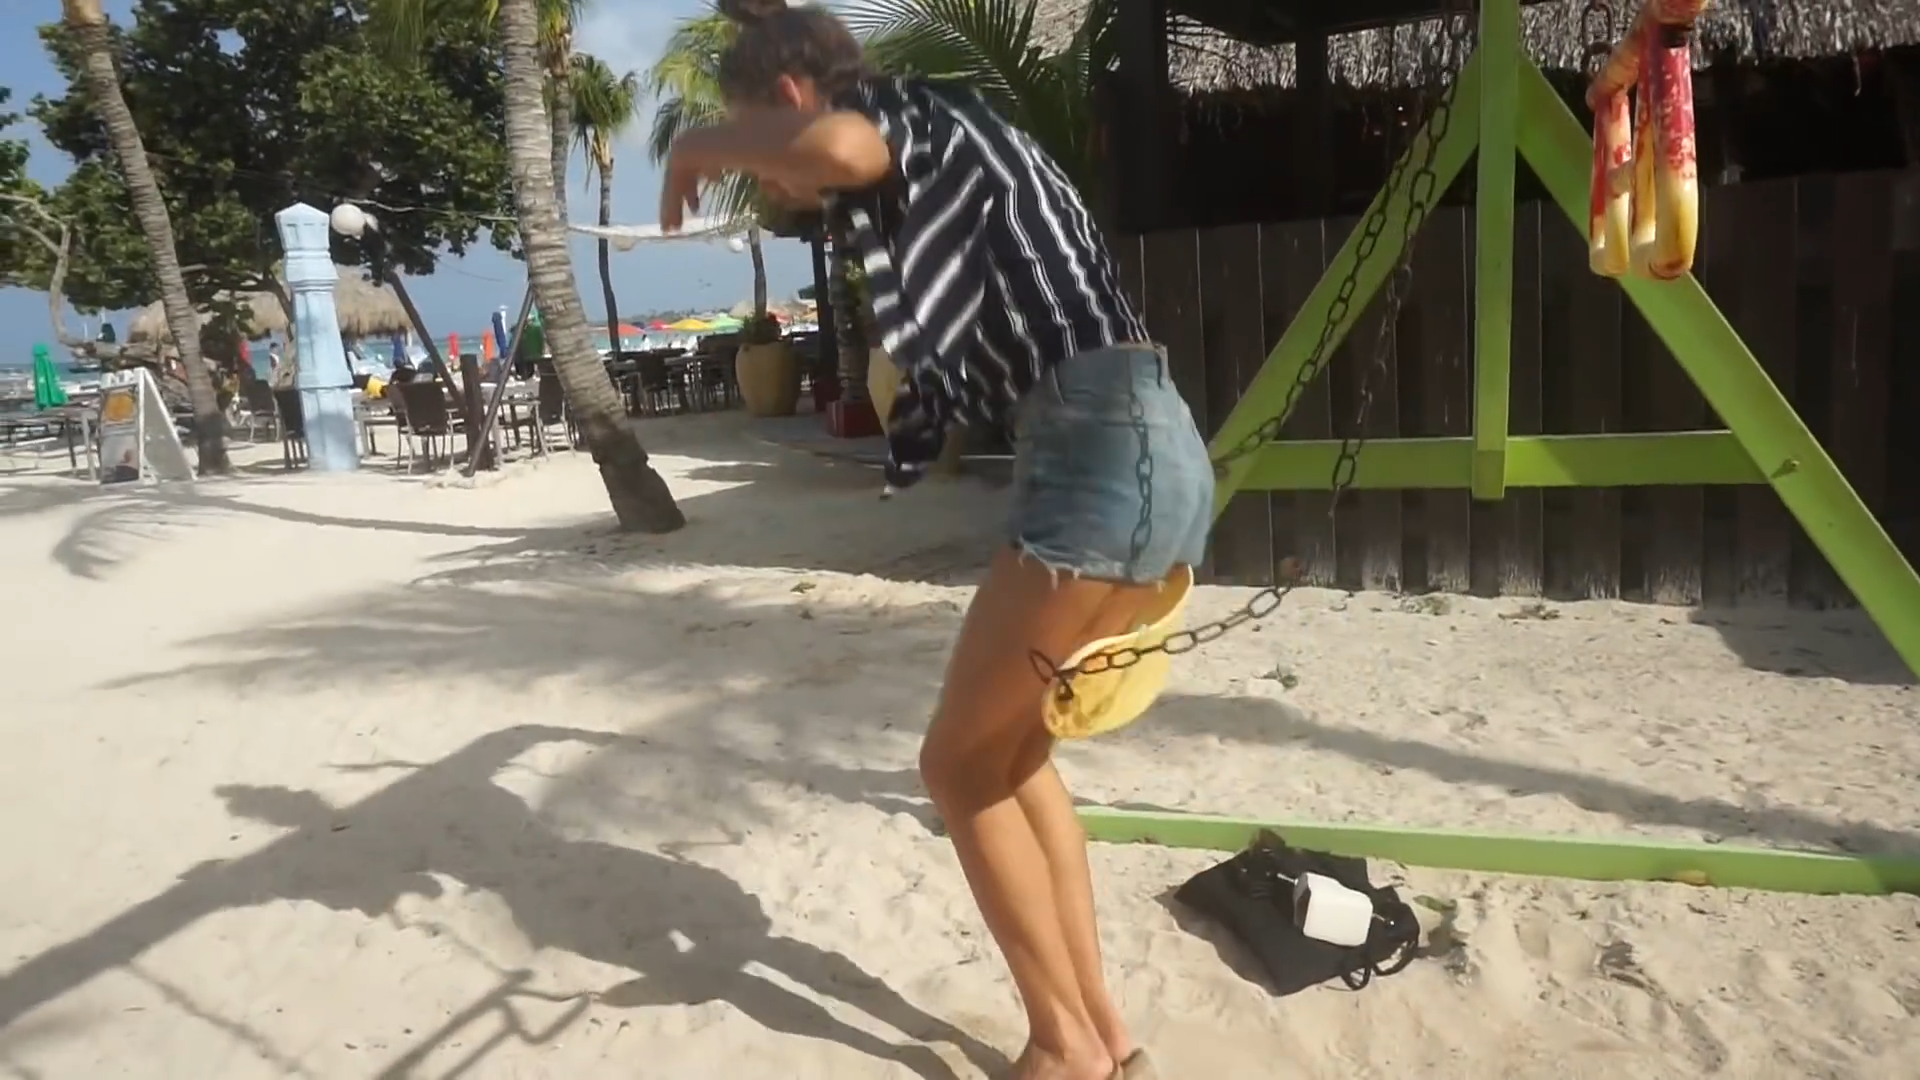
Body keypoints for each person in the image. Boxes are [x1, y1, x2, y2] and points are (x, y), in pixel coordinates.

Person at [659, 3, 1211, 1078]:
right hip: (1141, 444)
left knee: (955, 766)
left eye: (760, 145)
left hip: (1101, 450)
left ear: (789, 98)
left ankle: (1063, 1048)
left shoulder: (900, 113)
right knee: (1012, 756)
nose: (765, 176)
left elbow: (835, 146)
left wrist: (698, 145)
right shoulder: (958, 134)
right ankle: (1104, 1036)